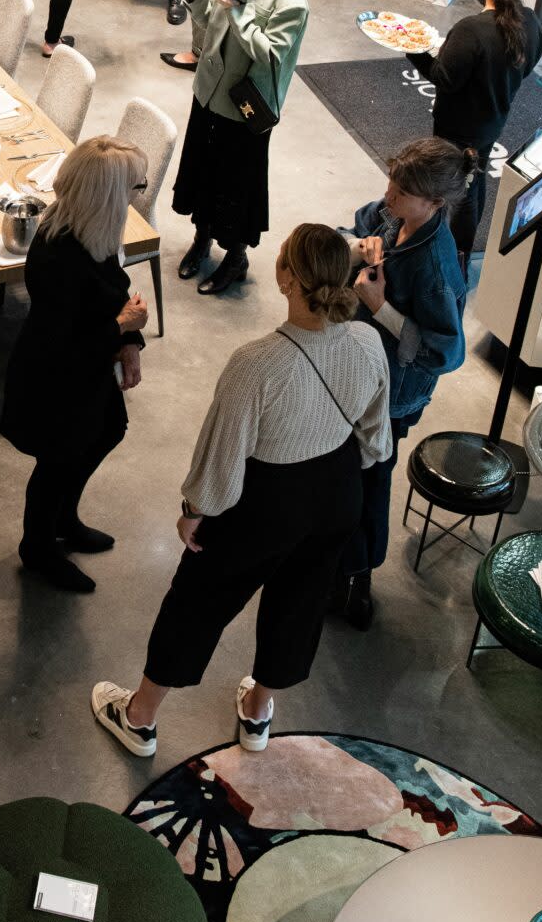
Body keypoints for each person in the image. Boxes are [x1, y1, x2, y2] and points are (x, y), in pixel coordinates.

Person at [91, 223, 391, 759]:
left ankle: (139, 719)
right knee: (301, 601)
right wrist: (338, 470)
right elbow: (375, 437)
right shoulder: (368, 341)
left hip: (267, 503)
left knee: (199, 601)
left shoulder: (257, 363)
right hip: (339, 492)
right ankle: (257, 714)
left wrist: (194, 510)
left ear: (286, 279)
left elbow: (222, 457)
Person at [0, 135, 150, 592]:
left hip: (87, 369)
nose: (136, 194)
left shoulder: (93, 230)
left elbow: (114, 288)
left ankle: (65, 518)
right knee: (57, 462)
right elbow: (62, 343)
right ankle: (39, 547)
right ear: (107, 193)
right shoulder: (57, 252)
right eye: (134, 186)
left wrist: (130, 342)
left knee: (106, 431)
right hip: (55, 379)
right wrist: (121, 328)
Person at [333, 137, 469, 629]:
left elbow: (444, 353)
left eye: (404, 189)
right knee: (348, 474)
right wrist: (356, 247)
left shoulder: (436, 268)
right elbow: (359, 221)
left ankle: (356, 583)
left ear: (435, 202)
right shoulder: (396, 217)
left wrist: (380, 308)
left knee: (370, 480)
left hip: (391, 396)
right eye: (393, 179)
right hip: (363, 375)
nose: (390, 193)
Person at [173, 0, 309, 296]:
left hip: (244, 106)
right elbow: (209, 25)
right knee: (203, 170)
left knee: (236, 183)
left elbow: (270, 57)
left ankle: (235, 255)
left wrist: (240, 13)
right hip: (209, 92)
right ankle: (201, 238)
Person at [410, 0, 542, 264]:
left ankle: (452, 255)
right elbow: (526, 66)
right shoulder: (532, 24)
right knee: (476, 177)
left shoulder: (472, 30)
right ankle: (461, 252)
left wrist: (414, 50)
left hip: (457, 126)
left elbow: (444, 77)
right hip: (492, 122)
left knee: (456, 188)